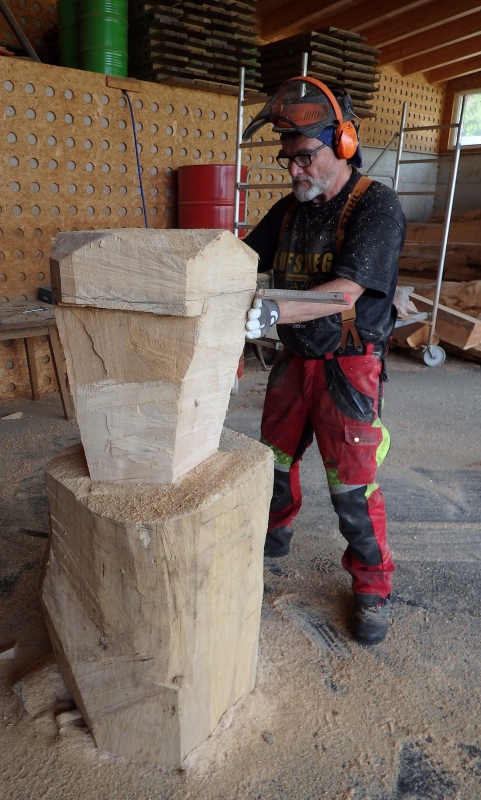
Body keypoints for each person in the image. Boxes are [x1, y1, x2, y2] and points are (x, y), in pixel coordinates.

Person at [242, 76, 406, 646]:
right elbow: (240, 256)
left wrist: (267, 313)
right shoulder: (289, 211)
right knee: (272, 461)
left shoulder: (376, 205)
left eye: (305, 157)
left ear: (343, 144)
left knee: (351, 487)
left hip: (349, 364)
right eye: (287, 159)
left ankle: (372, 586)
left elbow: (343, 293)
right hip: (296, 358)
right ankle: (272, 535)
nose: (294, 170)